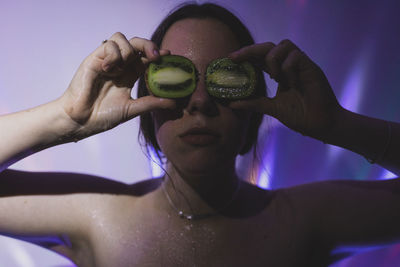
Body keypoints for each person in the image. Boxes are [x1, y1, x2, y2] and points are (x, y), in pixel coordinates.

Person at [0, 2, 399, 267]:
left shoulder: (304, 220)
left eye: (226, 79)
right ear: (145, 107)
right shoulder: (96, 217)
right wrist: (67, 116)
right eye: (175, 78)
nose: (201, 102)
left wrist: (336, 123)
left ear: (255, 109)